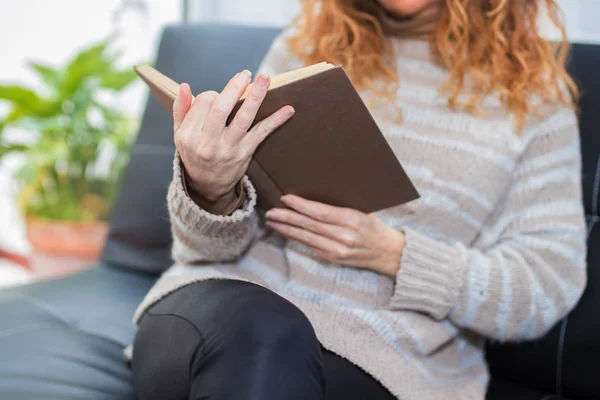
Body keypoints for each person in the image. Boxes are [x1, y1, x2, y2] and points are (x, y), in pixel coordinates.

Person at [130, 0, 587, 399]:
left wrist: (395, 255)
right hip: (226, 310)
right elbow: (206, 249)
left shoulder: (535, 100)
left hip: (383, 360)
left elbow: (546, 286)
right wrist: (211, 188)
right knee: (265, 334)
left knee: (271, 352)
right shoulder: (306, 45)